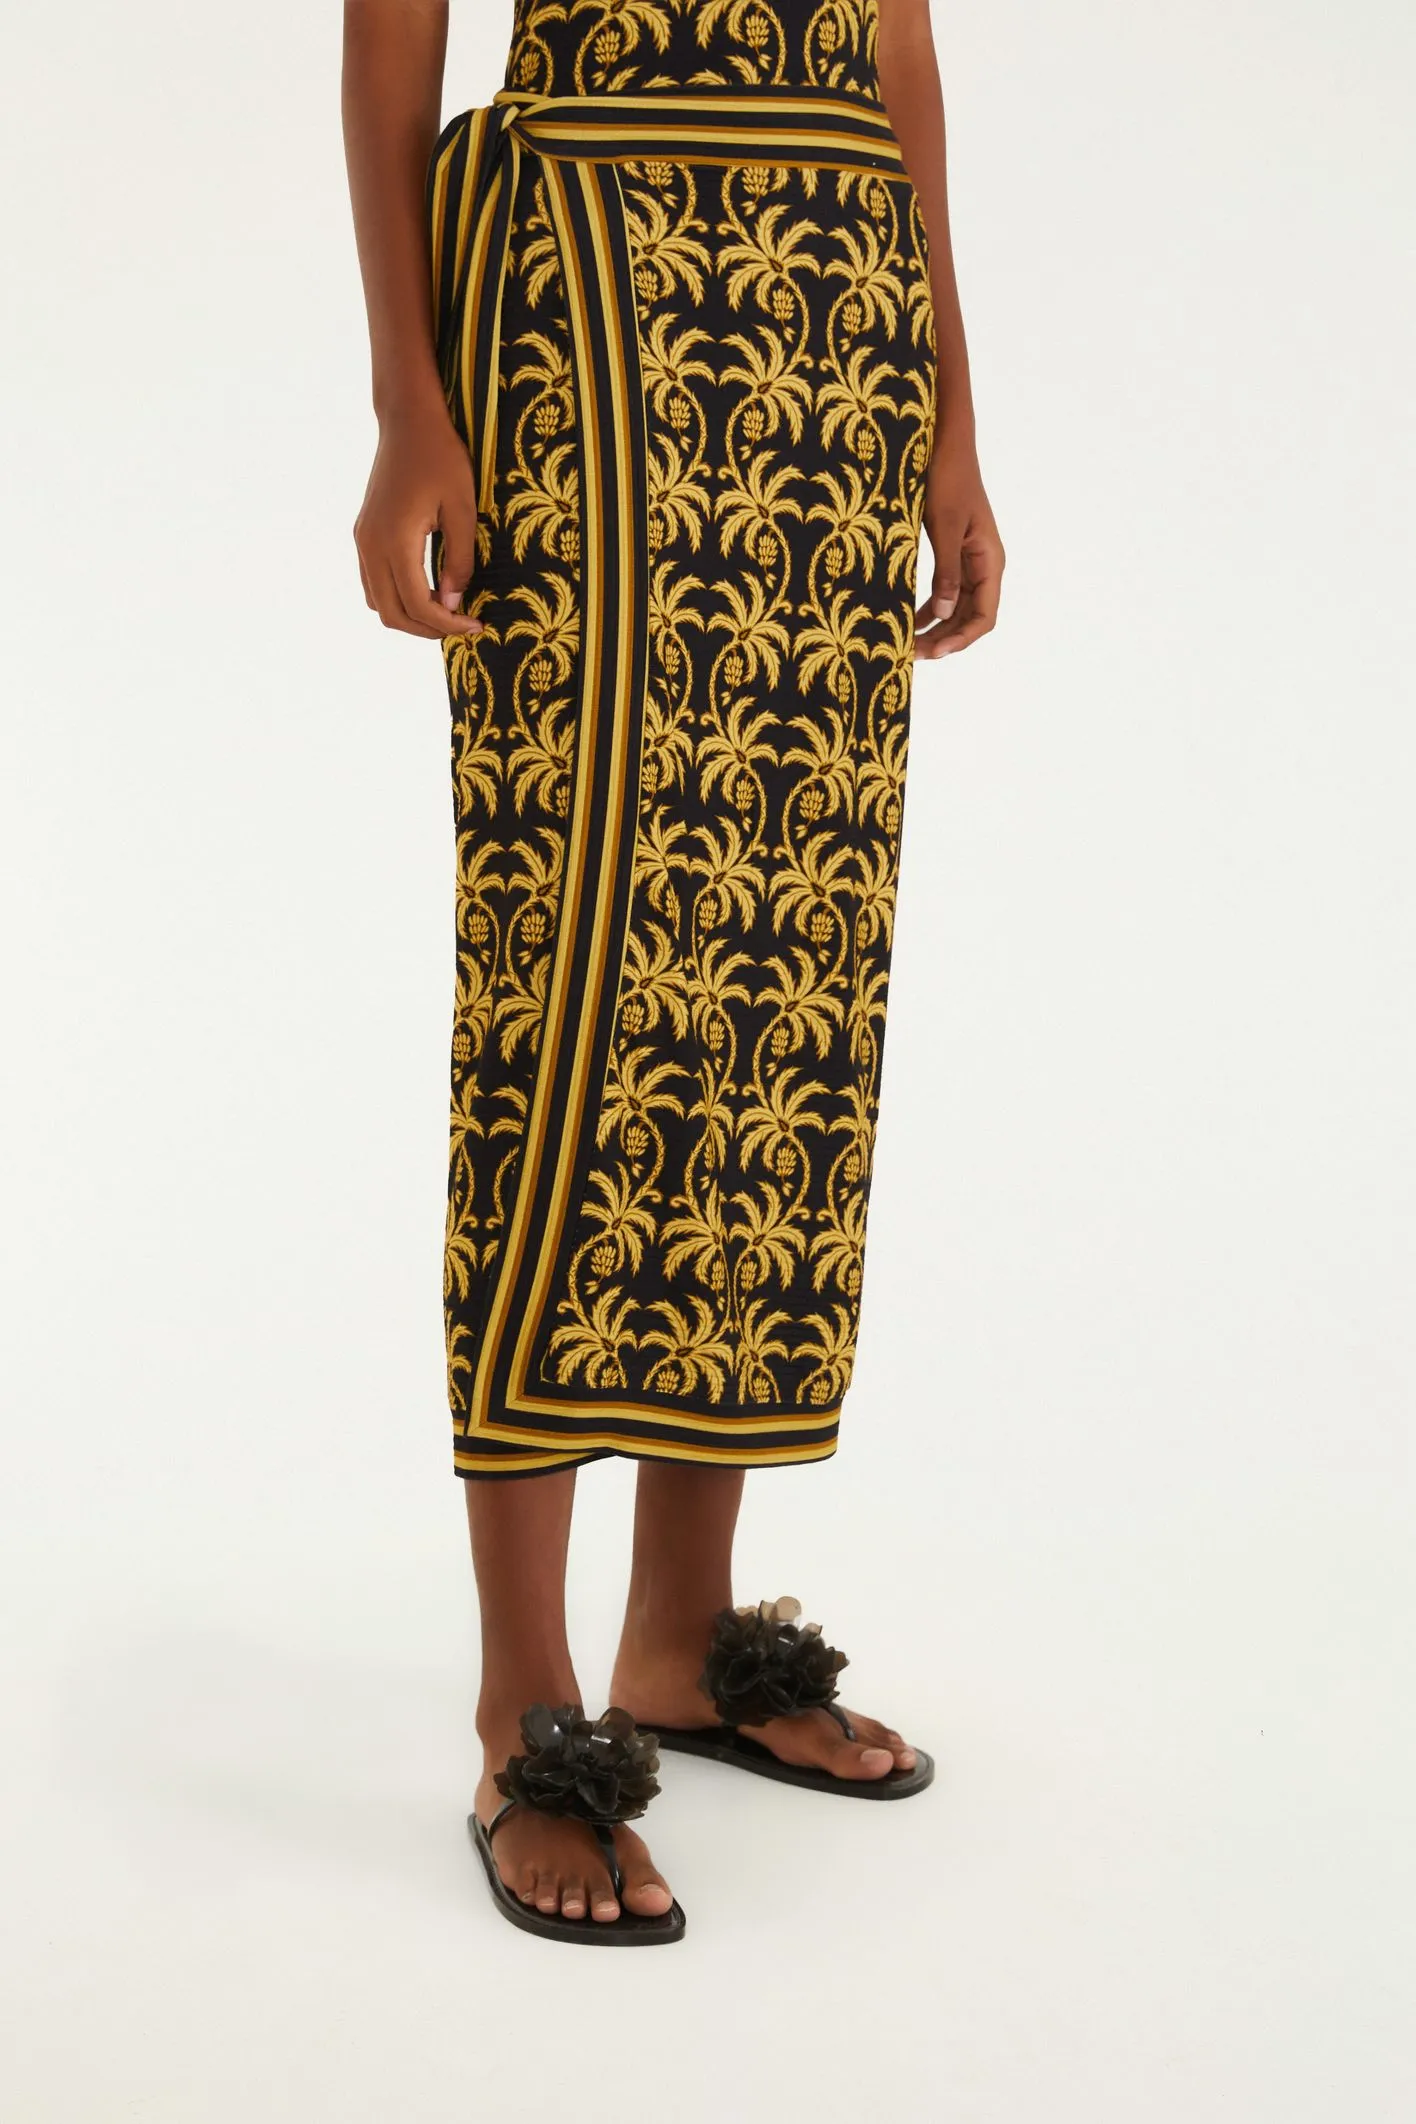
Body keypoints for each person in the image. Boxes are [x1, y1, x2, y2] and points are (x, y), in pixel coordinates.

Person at [342, 0, 1004, 1944]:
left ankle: (683, 1636)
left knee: (780, 966)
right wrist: (408, 400)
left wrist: (952, 413)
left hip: (836, 323)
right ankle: (525, 1705)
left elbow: (899, 44)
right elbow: (392, 31)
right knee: (571, 976)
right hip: (584, 298)